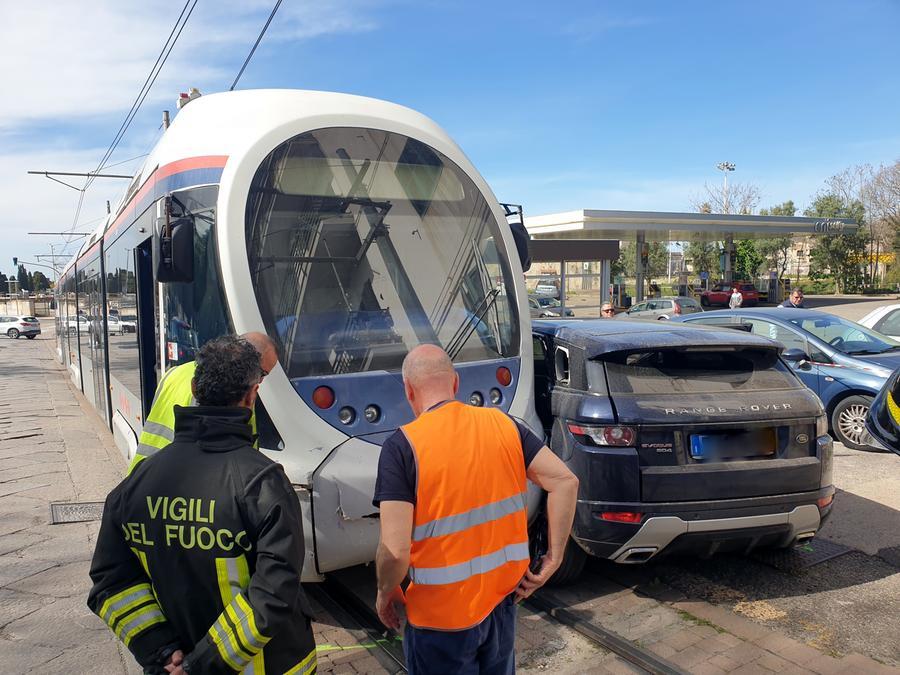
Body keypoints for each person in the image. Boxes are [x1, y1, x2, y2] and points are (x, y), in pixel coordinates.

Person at [87, 335, 316, 675]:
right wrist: (200, 666)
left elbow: (111, 584)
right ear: (252, 394)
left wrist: (162, 651)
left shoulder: (132, 487)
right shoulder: (264, 483)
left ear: (194, 387)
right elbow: (274, 592)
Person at [374, 344, 578, 674]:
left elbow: (395, 552)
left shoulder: (402, 447)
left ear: (408, 390)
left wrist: (385, 591)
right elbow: (565, 481)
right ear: (455, 383)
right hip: (501, 607)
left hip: (439, 623)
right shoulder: (503, 424)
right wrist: (553, 558)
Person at [130, 331, 277, 472]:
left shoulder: (174, 373)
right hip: (178, 477)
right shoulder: (233, 390)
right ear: (246, 358)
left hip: (144, 472)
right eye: (262, 373)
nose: (261, 380)